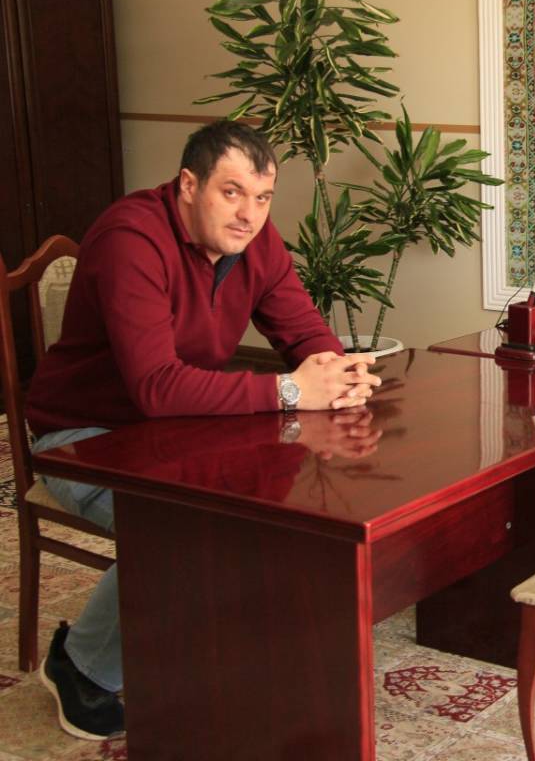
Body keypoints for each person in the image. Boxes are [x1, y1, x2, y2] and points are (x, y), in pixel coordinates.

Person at [25, 120, 383, 740]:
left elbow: (304, 331)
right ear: (188, 185)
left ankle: (222, 648)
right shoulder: (131, 238)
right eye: (232, 192)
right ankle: (79, 667)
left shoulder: (255, 242)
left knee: (270, 513)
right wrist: (293, 390)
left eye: (263, 197)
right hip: (83, 439)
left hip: (181, 432)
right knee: (195, 530)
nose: (249, 214)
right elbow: (156, 386)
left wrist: (338, 372)